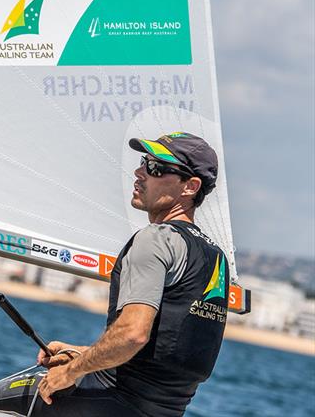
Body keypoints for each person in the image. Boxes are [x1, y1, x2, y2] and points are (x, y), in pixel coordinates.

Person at [35, 133, 230, 416]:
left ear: (190, 186)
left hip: (113, 401)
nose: (140, 173)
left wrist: (70, 372)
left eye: (156, 168)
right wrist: (81, 353)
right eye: (144, 162)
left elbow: (133, 335)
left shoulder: (156, 238)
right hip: (164, 410)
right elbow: (160, 353)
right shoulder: (217, 258)